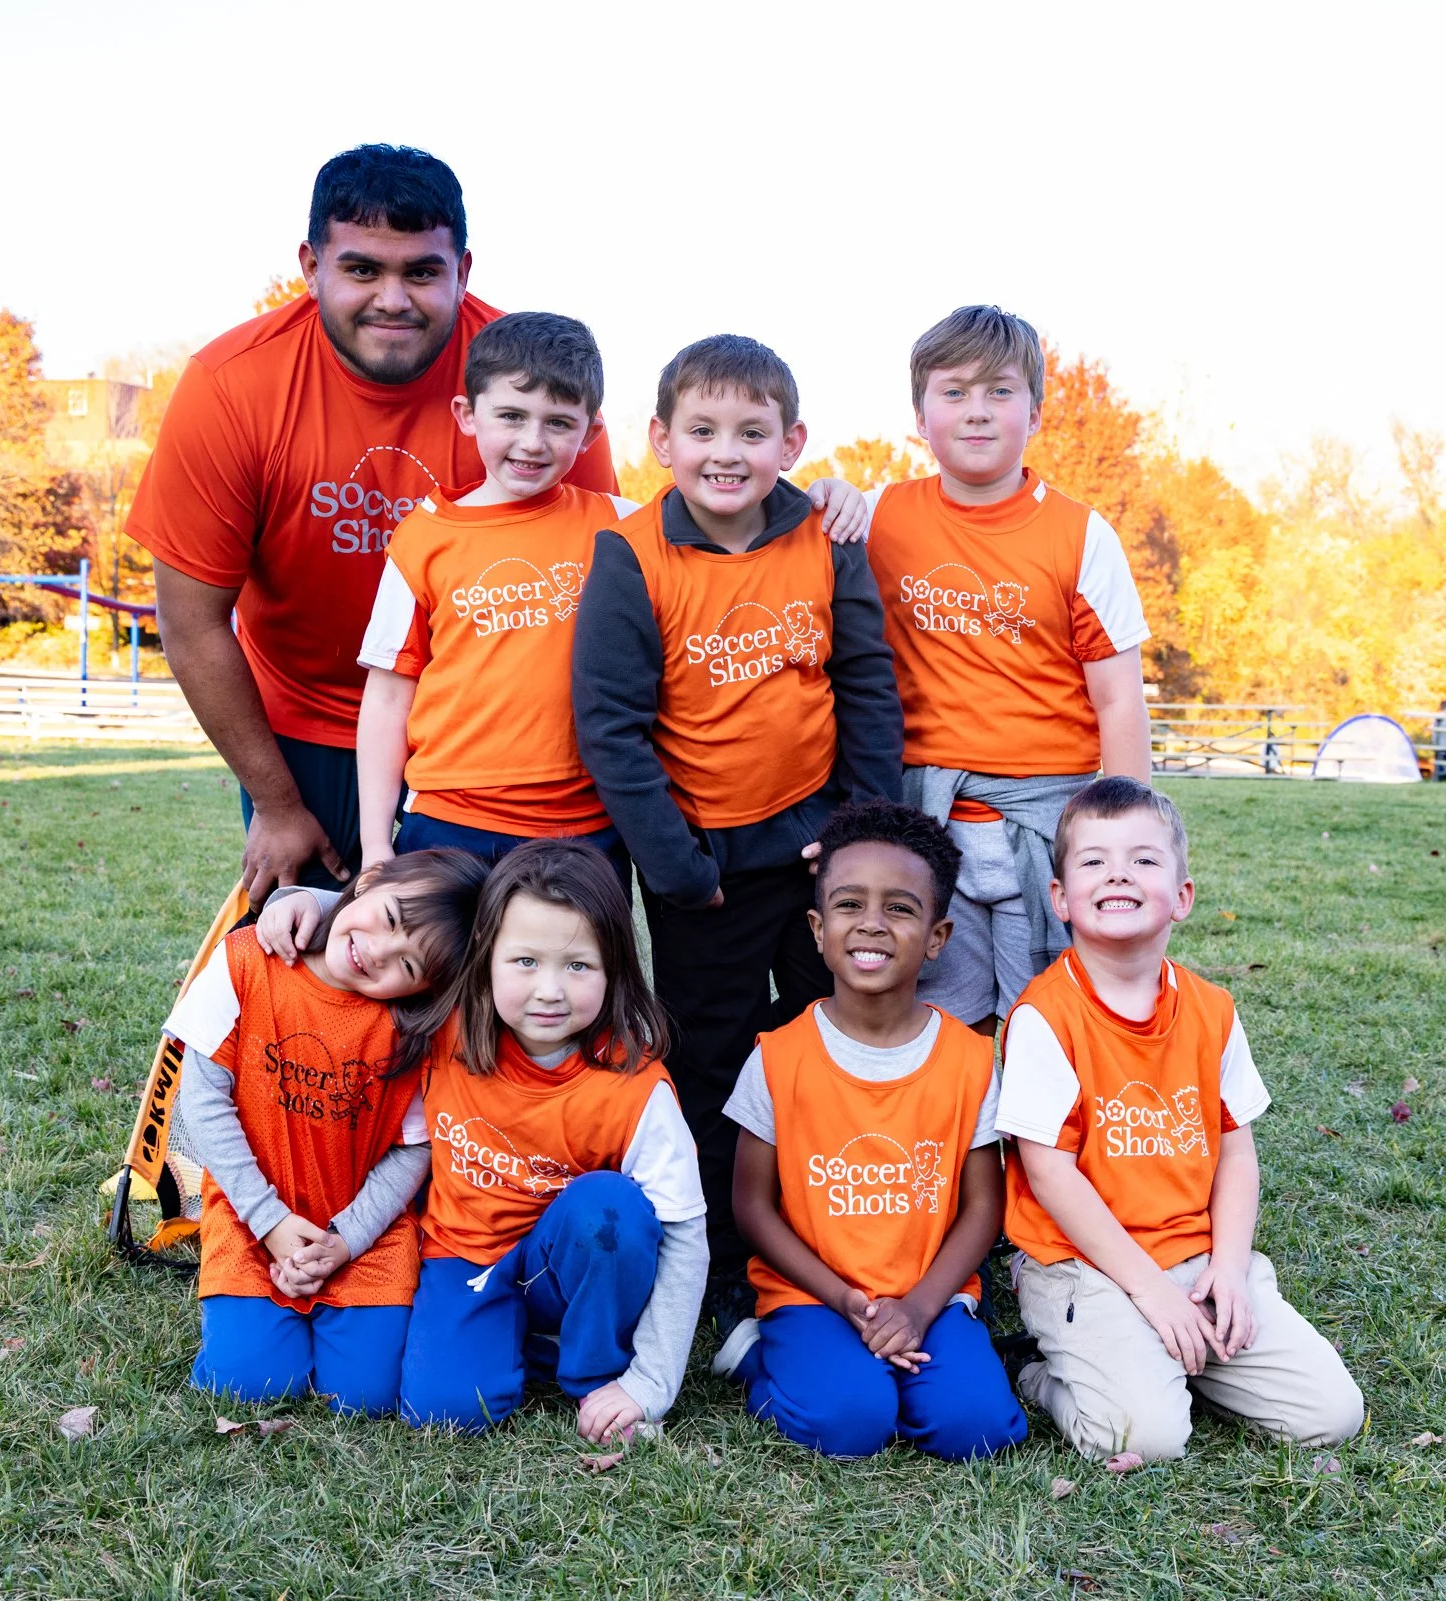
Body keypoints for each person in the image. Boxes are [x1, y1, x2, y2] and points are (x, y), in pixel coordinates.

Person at [129, 145, 618, 909]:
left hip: (479, 745)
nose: (393, 297)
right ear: (311, 265)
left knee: (493, 977)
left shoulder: (525, 386)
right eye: (362, 269)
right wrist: (278, 805)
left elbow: (600, 585)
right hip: (301, 726)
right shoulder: (232, 387)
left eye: (422, 272)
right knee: (312, 963)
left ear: (462, 269)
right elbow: (192, 623)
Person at [573, 334, 905, 1307]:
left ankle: (834, 1237)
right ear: (661, 439)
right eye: (704, 428)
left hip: (816, 852)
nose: (727, 450)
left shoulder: (827, 539)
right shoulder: (630, 553)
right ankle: (721, 1255)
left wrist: (857, 827)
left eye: (752, 431)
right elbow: (611, 726)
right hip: (704, 865)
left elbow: (866, 683)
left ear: (790, 439)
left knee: (825, 1042)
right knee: (712, 1055)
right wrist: (678, 866)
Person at [354, 313, 869, 879]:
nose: (532, 441)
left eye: (557, 422)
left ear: (591, 432)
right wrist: (376, 844)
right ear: (467, 415)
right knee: (446, 968)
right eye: (510, 416)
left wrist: (829, 494)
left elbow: (726, 503)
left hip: (585, 822)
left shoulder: (621, 527)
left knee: (574, 967)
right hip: (452, 815)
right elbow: (386, 696)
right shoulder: (424, 536)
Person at [996, 778, 1362, 1465]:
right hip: (1086, 1265)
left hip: (1194, 1257)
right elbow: (1047, 1170)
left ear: (1183, 896)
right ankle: (1045, 1375)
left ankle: (1173, 1357)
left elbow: (1236, 1153)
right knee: (1148, 1436)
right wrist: (1149, 1292)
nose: (1118, 875)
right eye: (1094, 861)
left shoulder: (1212, 1010)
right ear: (1060, 898)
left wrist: (1226, 1268)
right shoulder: (1047, 1017)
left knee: (1330, 1412)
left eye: (1143, 859)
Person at [863, 306, 1152, 1033]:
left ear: (1037, 410)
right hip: (927, 825)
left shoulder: (1082, 534)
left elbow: (1118, 699)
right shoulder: (877, 518)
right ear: (919, 415)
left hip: (1045, 823)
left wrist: (1125, 839)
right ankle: (958, 1148)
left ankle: (1047, 1149)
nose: (977, 412)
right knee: (940, 1028)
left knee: (1051, 1026)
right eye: (953, 392)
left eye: (999, 391)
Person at [713, 800, 1028, 1461]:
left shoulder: (969, 1059)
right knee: (852, 1423)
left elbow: (983, 1205)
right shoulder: (778, 1055)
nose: (873, 924)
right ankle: (758, 1357)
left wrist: (916, 1308)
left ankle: (894, 1369)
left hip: (931, 1296)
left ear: (938, 936)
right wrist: (844, 1299)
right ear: (817, 926)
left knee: (975, 1430)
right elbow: (752, 1204)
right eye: (850, 904)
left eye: (901, 908)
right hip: (812, 1292)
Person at [388, 840, 708, 1440]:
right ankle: (519, 1345)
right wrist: (303, 899)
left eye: (578, 965)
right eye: (525, 962)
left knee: (610, 1209)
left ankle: (594, 1371)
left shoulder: (635, 1086)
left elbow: (687, 1235)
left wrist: (650, 1383)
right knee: (446, 1413)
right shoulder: (441, 1023)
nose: (549, 990)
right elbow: (369, 943)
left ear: (615, 967)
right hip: (463, 1252)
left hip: (562, 1265)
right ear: (485, 956)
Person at [160, 849, 488, 1416]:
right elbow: (203, 1104)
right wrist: (270, 1222)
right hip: (249, 1216)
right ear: (369, 882)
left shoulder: (409, 1032)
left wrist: (343, 1242)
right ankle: (262, 1326)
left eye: (408, 967)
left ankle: (327, 1321)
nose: (378, 952)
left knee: (367, 1395)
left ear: (423, 992)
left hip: (361, 1234)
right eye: (390, 919)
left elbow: (413, 1151)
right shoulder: (247, 958)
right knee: (248, 1383)